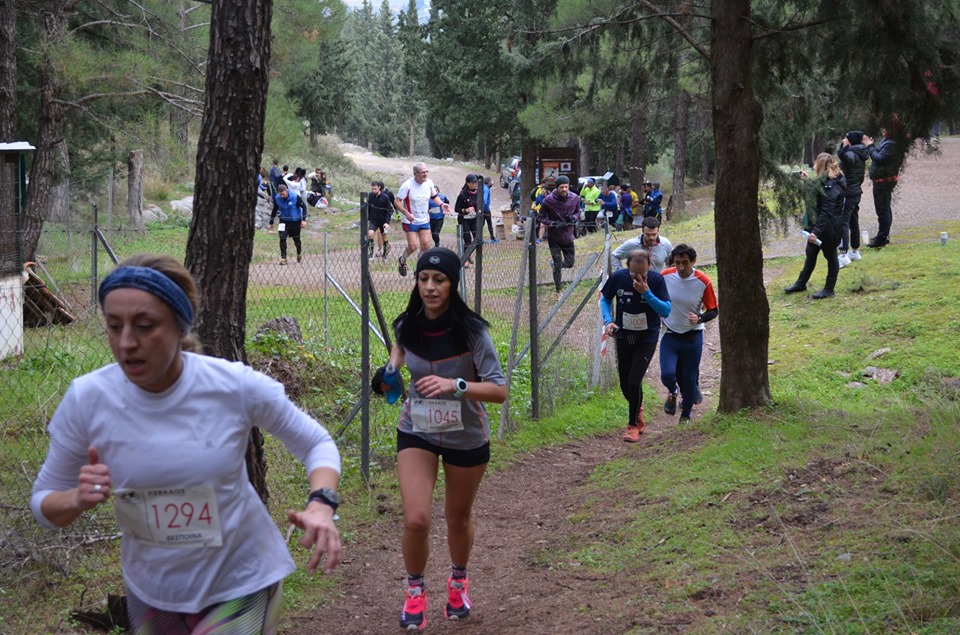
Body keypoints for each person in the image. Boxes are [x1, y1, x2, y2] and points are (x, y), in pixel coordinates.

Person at [30, 254, 342, 634]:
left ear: (180, 325)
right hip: (152, 589)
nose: (126, 342)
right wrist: (76, 499)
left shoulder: (232, 386)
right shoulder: (88, 398)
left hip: (240, 580)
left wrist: (321, 504)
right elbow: (43, 501)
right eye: (114, 326)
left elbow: (316, 443)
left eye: (145, 326)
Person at [373, 247, 507, 630]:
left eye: (439, 280)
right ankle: (415, 591)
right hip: (417, 430)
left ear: (452, 284)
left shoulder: (472, 332)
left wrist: (456, 385)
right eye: (423, 279)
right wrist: (392, 368)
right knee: (416, 519)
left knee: (457, 518)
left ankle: (458, 583)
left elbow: (499, 390)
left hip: (466, 434)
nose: (430, 287)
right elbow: (401, 346)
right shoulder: (408, 324)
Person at [600, 248, 671, 442]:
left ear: (649, 265)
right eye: (634, 274)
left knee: (634, 381)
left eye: (643, 273)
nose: (638, 277)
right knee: (625, 384)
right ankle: (638, 408)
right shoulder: (618, 278)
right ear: (627, 267)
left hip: (646, 338)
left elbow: (666, 310)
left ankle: (633, 426)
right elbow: (605, 299)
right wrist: (608, 321)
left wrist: (646, 292)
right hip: (623, 336)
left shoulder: (656, 280)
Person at [660, 244, 718, 425]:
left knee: (689, 377)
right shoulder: (665, 276)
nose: (681, 267)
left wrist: (700, 318)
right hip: (670, 333)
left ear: (693, 261)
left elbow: (713, 310)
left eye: (685, 262)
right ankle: (673, 391)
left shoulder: (703, 281)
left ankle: (685, 416)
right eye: (677, 263)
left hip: (693, 336)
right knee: (667, 374)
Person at [784, 153, 847, 299]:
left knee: (831, 256)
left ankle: (829, 289)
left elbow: (826, 212)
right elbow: (818, 191)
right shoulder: (825, 181)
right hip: (819, 225)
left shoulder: (832, 186)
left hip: (829, 228)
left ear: (819, 166)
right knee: (811, 254)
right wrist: (808, 180)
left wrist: (816, 232)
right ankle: (801, 283)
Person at [394, 162, 449, 277]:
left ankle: (419, 268)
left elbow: (434, 197)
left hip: (424, 219)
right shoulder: (407, 185)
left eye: (426, 172)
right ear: (415, 174)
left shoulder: (429, 183)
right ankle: (402, 260)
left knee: (426, 245)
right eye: (422, 172)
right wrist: (406, 213)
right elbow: (397, 201)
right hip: (410, 220)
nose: (425, 174)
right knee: (413, 246)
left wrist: (441, 204)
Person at [863, 118, 902, 248]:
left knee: (882, 210)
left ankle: (882, 238)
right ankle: (883, 235)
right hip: (883, 179)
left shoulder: (891, 144)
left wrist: (869, 146)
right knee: (884, 208)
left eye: (885, 128)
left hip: (884, 181)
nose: (882, 130)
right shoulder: (888, 141)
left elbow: (879, 158)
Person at [539, 175, 581, 295]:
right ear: (557, 187)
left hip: (568, 235)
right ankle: (558, 290)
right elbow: (540, 217)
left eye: (566, 187)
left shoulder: (574, 198)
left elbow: (578, 211)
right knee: (558, 263)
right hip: (554, 237)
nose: (564, 189)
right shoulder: (548, 200)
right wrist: (552, 223)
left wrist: (574, 218)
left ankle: (555, 265)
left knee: (570, 263)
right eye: (562, 187)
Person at [836, 131, 869, 265]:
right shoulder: (860, 151)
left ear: (851, 141)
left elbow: (842, 156)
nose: (844, 139)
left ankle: (843, 254)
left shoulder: (851, 153)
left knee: (843, 222)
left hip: (848, 192)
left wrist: (844, 147)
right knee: (853, 221)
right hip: (855, 192)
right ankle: (855, 251)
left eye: (846, 138)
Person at [269, 184, 307, 265]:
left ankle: (299, 253)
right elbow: (275, 208)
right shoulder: (277, 198)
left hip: (295, 221)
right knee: (282, 238)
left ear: (287, 191)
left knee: (296, 239)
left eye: (283, 194)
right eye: (280, 194)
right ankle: (283, 258)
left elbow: (304, 207)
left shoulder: (295, 197)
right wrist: (271, 221)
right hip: (283, 220)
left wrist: (304, 220)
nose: (282, 196)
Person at [455, 175, 481, 259]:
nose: (476, 184)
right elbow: (456, 209)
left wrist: (479, 210)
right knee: (467, 239)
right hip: (464, 219)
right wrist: (466, 210)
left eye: (476, 182)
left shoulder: (478, 193)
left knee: (477, 238)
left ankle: (471, 254)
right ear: (468, 183)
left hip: (474, 219)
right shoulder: (462, 194)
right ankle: (465, 257)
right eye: (473, 183)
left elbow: (480, 205)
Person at [368, 180, 395, 261]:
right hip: (374, 220)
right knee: (370, 234)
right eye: (372, 189)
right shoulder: (370, 196)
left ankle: (384, 255)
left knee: (384, 238)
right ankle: (371, 254)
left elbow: (389, 210)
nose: (373, 191)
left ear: (379, 188)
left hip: (383, 221)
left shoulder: (385, 197)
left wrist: (387, 222)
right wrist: (368, 217)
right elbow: (369, 207)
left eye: (375, 189)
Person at [482, 176, 498, 242]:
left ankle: (480, 238)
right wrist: (486, 208)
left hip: (481, 210)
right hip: (485, 210)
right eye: (491, 181)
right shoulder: (487, 189)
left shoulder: (482, 187)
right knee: (489, 224)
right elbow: (485, 200)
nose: (492, 183)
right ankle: (492, 238)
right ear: (488, 182)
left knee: (481, 225)